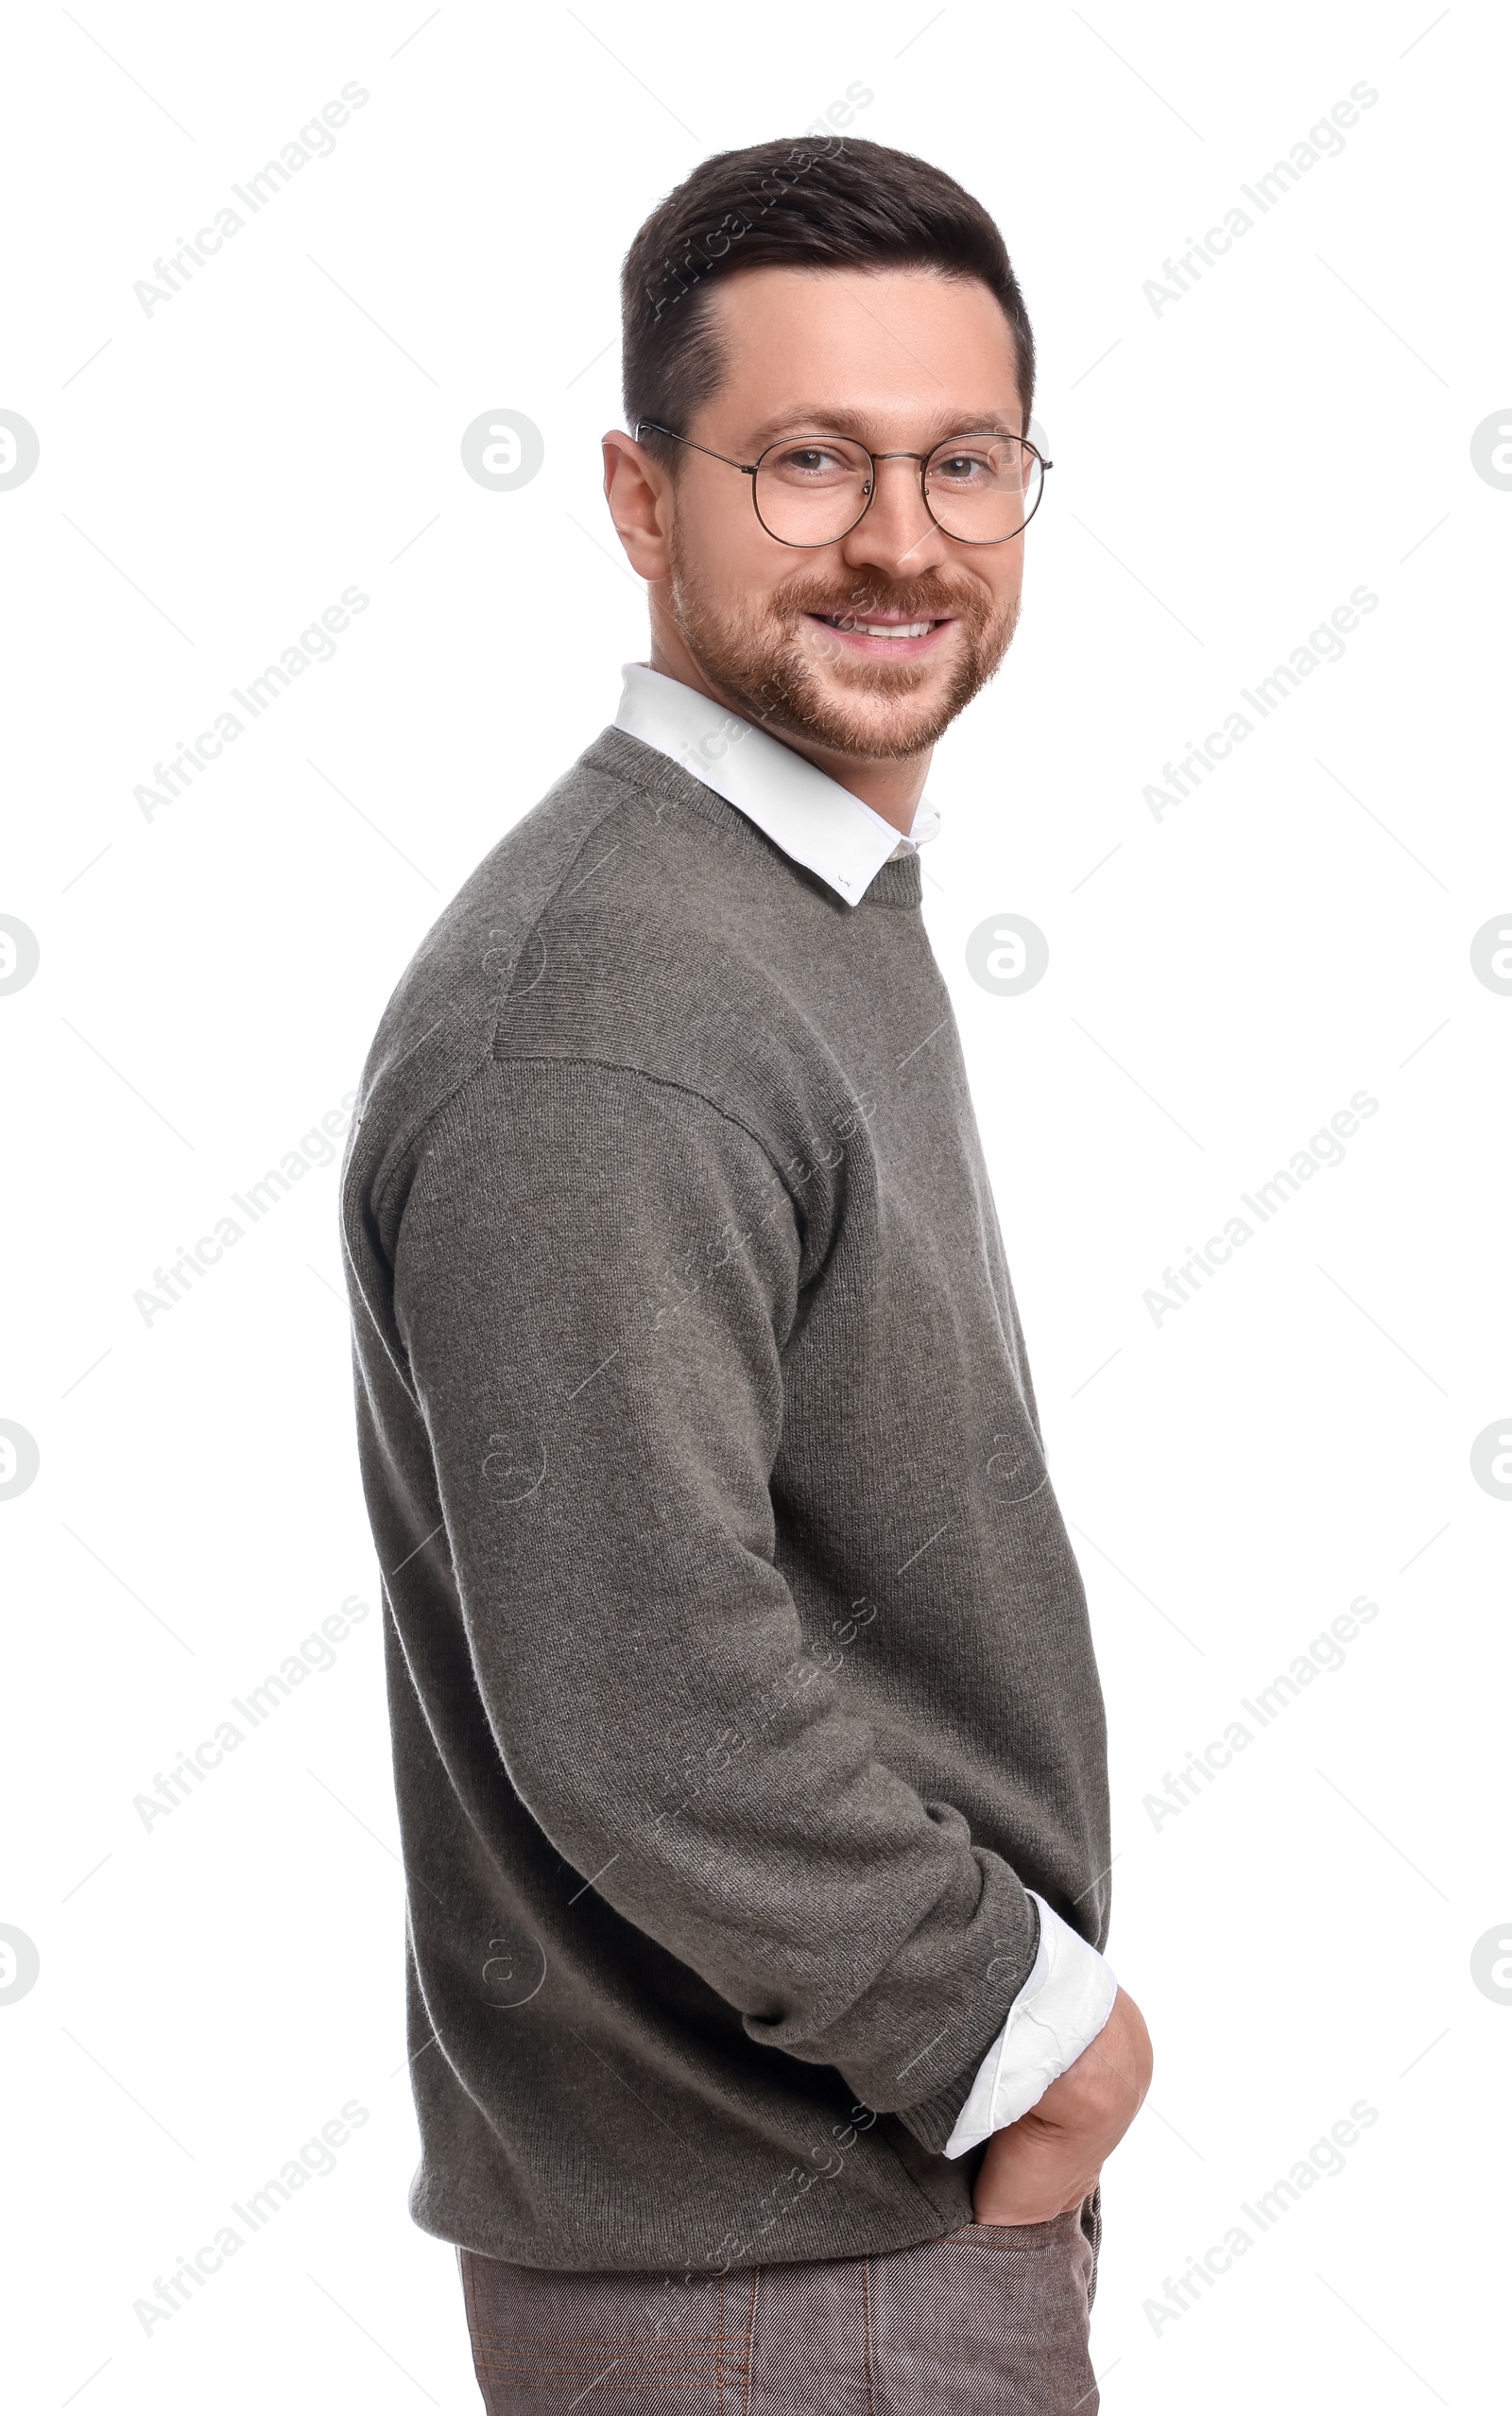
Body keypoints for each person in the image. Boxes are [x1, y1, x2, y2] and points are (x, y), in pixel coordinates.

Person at [340, 132, 1153, 2414]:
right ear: (634, 495)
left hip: (837, 2231)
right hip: (784, 2270)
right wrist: (1032, 2043)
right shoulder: (611, 1012)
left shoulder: (775, 909)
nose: (899, 539)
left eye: (961, 461)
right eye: (806, 462)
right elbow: (641, 1695)